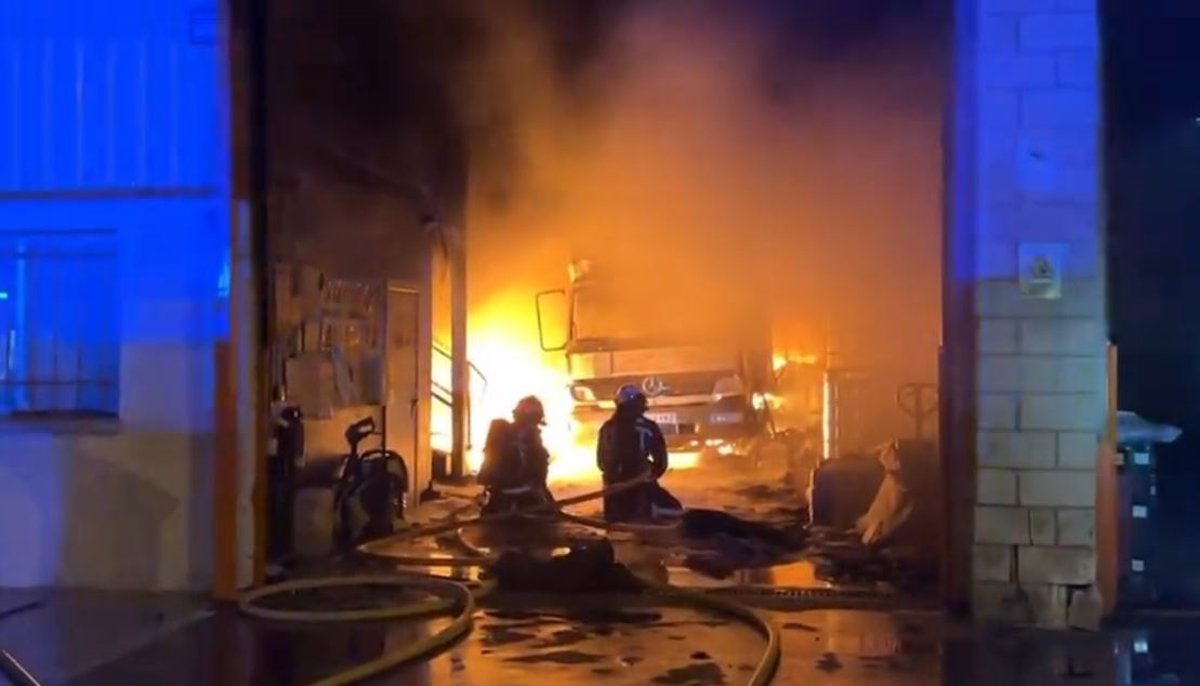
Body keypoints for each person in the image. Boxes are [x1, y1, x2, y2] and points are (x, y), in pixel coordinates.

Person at [596, 384, 682, 523]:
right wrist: (648, 475)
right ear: (640, 404)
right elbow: (661, 463)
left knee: (616, 521)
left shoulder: (606, 428)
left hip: (613, 494)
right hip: (641, 490)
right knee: (675, 511)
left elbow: (601, 463)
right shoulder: (649, 427)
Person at [477, 395, 554, 515]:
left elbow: (486, 474)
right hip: (527, 499)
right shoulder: (535, 445)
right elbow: (539, 478)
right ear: (537, 419)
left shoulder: (498, 432)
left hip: (499, 498)